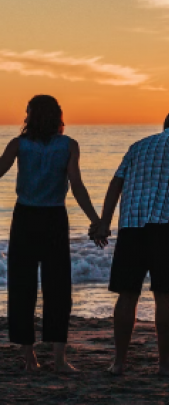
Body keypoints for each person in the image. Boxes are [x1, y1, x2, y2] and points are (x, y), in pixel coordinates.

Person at [90, 109, 169, 376]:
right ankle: (164, 364)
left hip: (131, 224)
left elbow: (115, 184)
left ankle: (118, 362)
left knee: (127, 294)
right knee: (164, 294)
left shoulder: (138, 145)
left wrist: (105, 222)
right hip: (166, 223)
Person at [0, 95, 100, 372]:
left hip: (25, 218)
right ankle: (59, 359)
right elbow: (77, 186)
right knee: (58, 288)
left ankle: (29, 358)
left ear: (31, 116)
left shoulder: (19, 144)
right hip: (54, 218)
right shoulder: (68, 145)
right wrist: (96, 220)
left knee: (22, 288)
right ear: (58, 116)